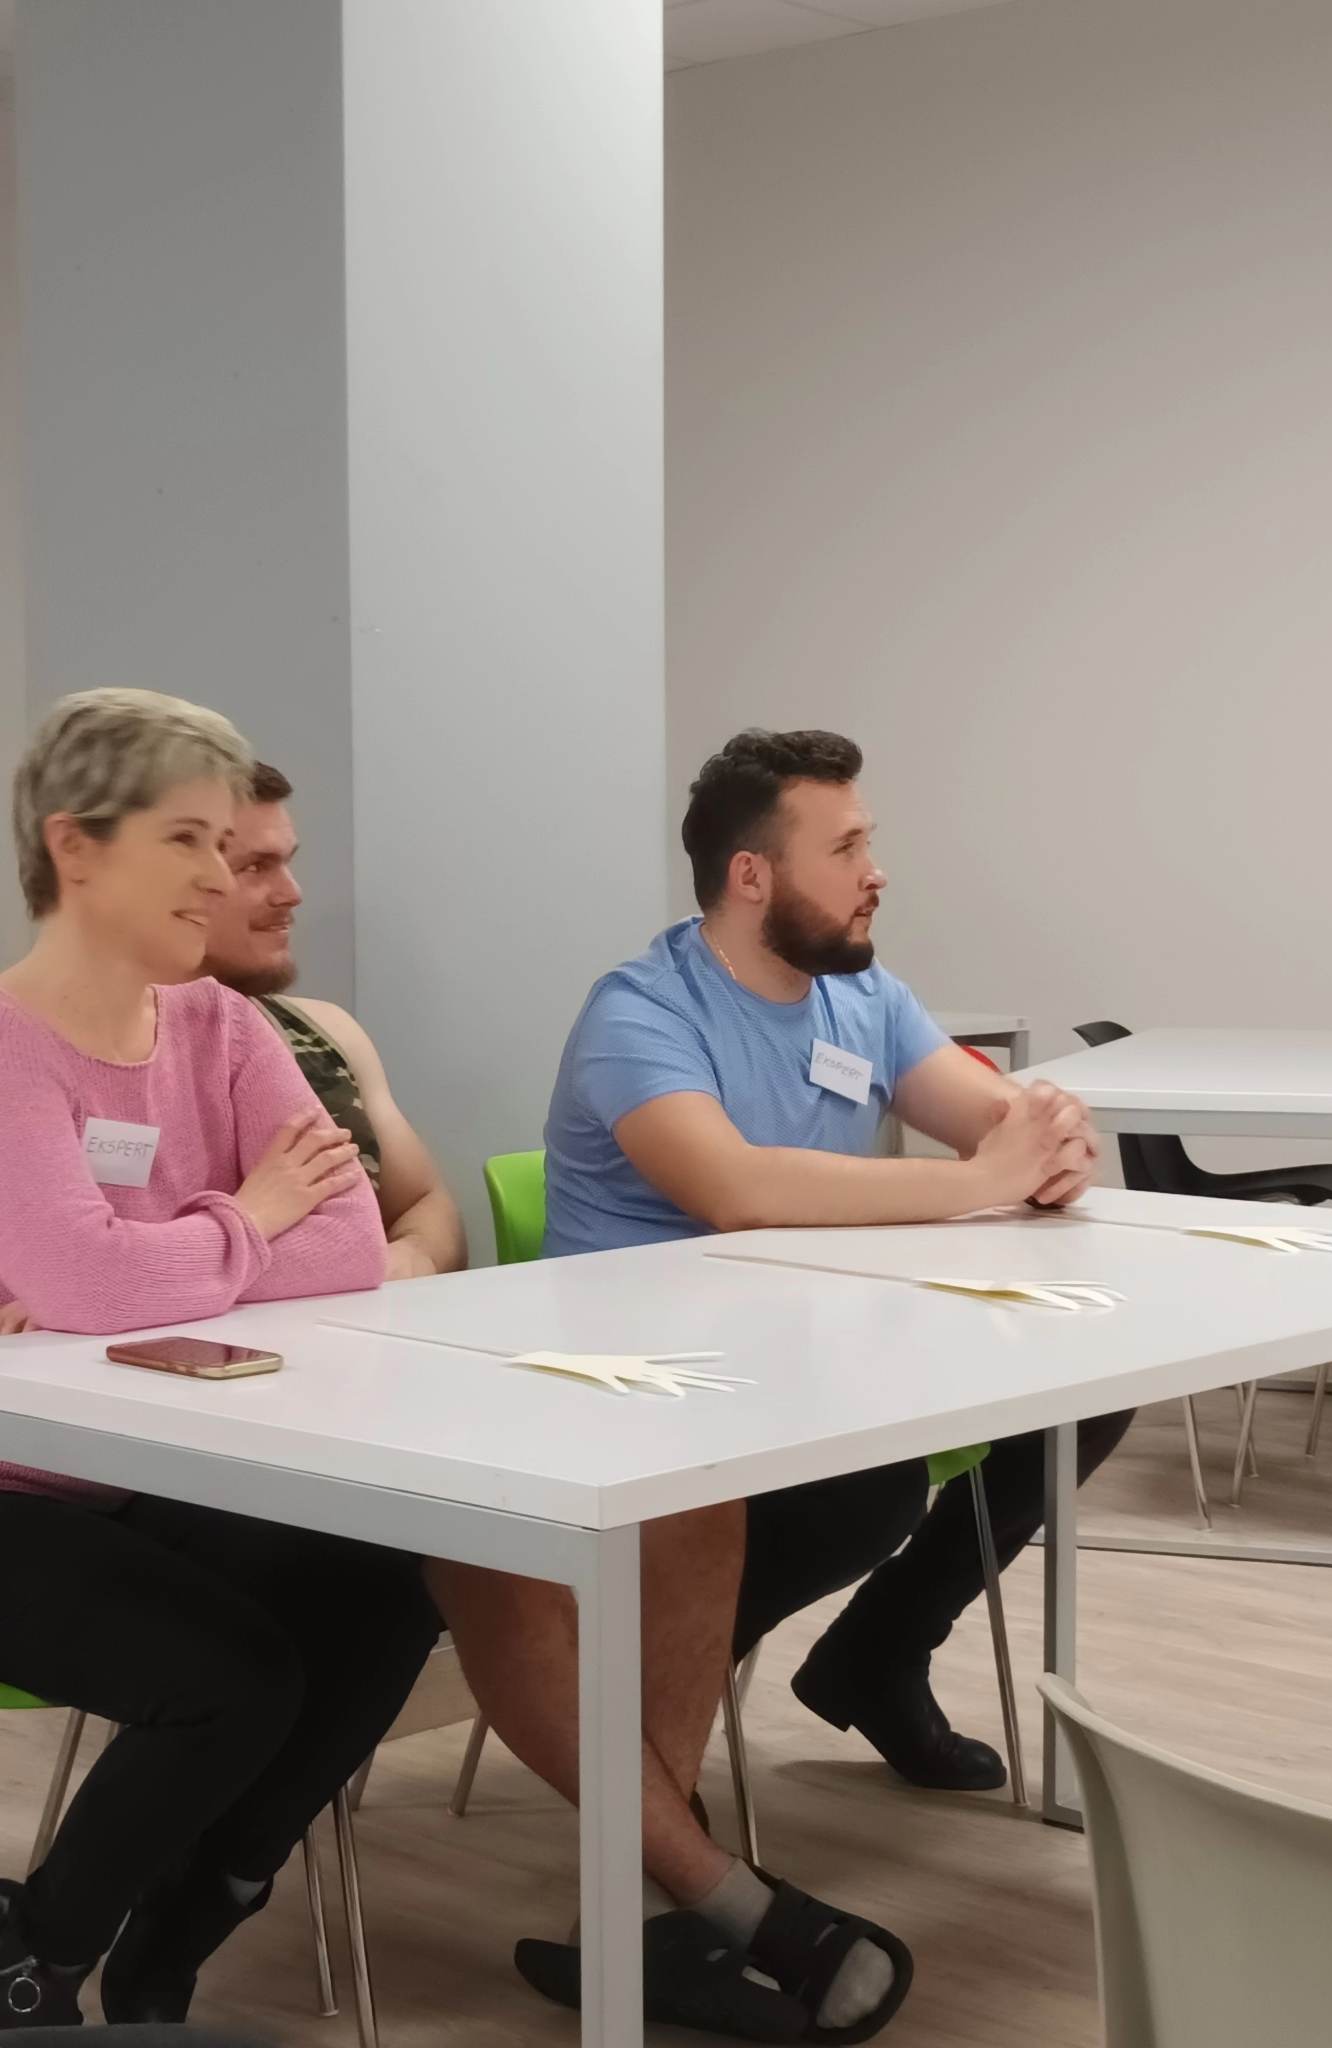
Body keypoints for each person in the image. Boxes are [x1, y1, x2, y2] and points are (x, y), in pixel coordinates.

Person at [433, 729, 1128, 2043]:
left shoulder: (865, 995)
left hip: (806, 1382)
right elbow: (734, 1187)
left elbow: (993, 1121)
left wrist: (1044, 1147)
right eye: (847, 845)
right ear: (753, 875)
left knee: (1077, 1394)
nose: (877, 870)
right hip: (640, 1404)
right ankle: (665, 1878)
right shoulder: (641, 1011)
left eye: (870, 842)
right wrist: (978, 1180)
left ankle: (871, 1659)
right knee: (789, 1496)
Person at [0, 691, 441, 2032]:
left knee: (389, 1583)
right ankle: (37, 1960)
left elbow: (351, 1243)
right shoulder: (9, 1048)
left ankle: (187, 1922)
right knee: (232, 1682)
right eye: (187, 839)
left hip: (154, 1472)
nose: (220, 872)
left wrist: (139, 1255)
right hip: (19, 1491)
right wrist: (248, 1212)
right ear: (76, 847)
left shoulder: (225, 1028)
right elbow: (87, 1285)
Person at [197, 761, 466, 1282]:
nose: (291, 892)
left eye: (286, 862)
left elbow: (426, 1203)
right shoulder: (90, 1053)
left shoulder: (326, 1034)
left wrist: (411, 1257)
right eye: (254, 867)